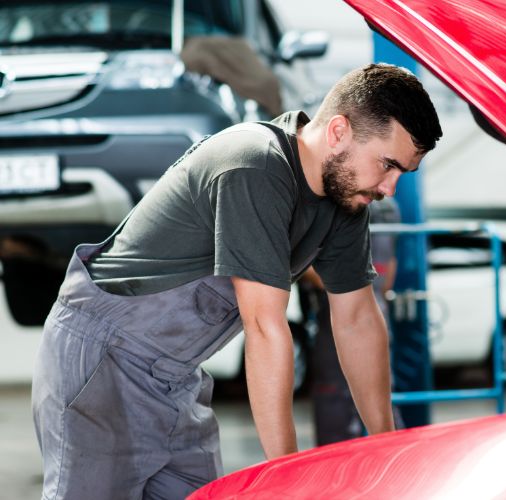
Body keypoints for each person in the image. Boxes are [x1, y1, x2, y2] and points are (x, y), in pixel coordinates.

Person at [31, 63, 442, 499]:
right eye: (388, 165)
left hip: (174, 377)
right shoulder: (255, 165)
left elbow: (358, 318)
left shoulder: (345, 197)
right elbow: (265, 326)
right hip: (102, 361)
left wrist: (386, 446)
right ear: (339, 131)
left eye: (403, 174)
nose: (391, 188)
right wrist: (287, 473)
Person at [307, 196, 402, 445]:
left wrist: (339, 287)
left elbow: (303, 264)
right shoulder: (388, 207)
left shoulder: (334, 200)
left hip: (337, 310)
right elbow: (389, 269)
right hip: (377, 308)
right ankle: (391, 454)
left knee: (334, 395)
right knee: (383, 391)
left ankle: (337, 464)